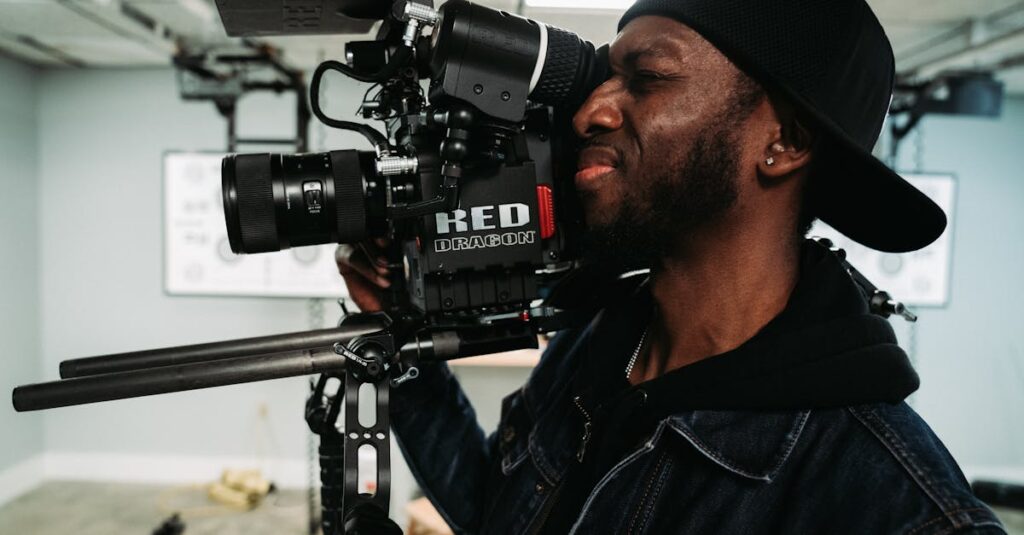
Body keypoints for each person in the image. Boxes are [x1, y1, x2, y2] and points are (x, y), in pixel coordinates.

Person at [337, 0, 1007, 533]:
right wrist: (403, 347)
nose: (591, 110)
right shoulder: (596, 342)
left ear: (784, 141)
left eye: (647, 80)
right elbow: (498, 507)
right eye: (606, 78)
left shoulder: (895, 503)